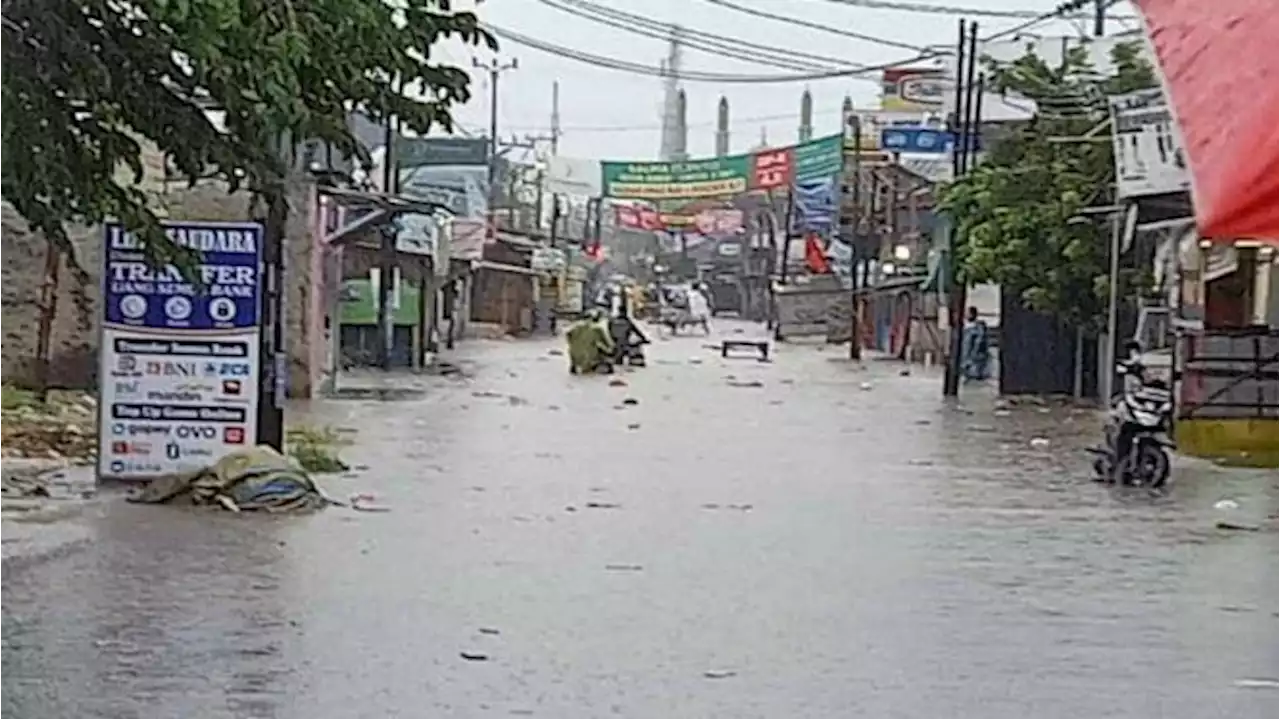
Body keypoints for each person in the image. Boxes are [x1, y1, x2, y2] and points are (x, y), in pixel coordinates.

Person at [566, 309, 614, 374]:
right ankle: (588, 367)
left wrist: (571, 344)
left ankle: (578, 365)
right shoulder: (596, 329)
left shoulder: (576, 327)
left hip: (574, 355)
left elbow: (568, 334)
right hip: (587, 356)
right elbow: (607, 344)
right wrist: (609, 349)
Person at [960, 306, 990, 382]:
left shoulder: (978, 328)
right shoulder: (963, 327)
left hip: (974, 359)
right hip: (964, 358)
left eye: (967, 313)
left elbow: (979, 342)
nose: (965, 315)